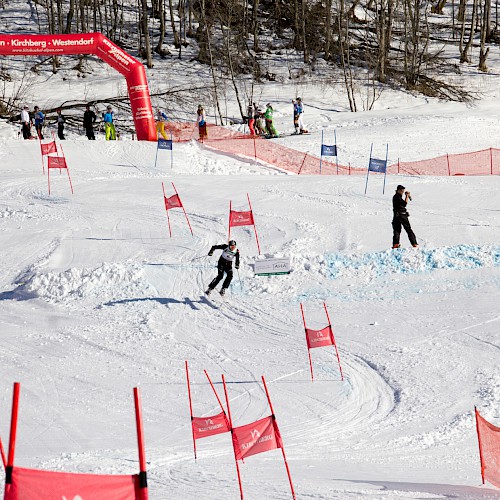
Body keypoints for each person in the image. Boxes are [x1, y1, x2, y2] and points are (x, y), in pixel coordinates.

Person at [392, 185, 418, 249]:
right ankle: (414, 243)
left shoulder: (397, 196)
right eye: (401, 190)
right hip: (402, 215)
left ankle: (396, 244)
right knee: (408, 229)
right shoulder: (397, 196)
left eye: (403, 190)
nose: (402, 192)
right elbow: (404, 204)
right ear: (397, 190)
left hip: (396, 216)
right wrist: (407, 196)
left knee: (397, 230)